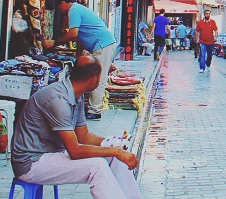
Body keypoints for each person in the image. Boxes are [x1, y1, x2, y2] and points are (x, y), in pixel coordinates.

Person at [11, 56, 143, 199]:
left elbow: (83, 136)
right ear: (94, 79)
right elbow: (75, 151)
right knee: (97, 166)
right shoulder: (58, 99)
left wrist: (114, 144)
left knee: (115, 157)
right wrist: (115, 151)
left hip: (51, 154)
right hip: (31, 163)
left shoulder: (76, 95)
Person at [44, 0, 117, 120]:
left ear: (63, 3)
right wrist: (77, 57)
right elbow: (79, 38)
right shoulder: (78, 9)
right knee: (92, 75)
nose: (61, 12)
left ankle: (95, 110)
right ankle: (90, 107)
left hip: (103, 45)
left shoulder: (73, 10)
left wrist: (54, 42)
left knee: (98, 77)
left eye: (59, 8)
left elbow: (73, 34)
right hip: (103, 45)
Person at [195, 9, 218, 73]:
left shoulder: (212, 22)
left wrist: (215, 37)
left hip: (211, 41)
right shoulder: (200, 23)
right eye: (207, 14)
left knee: (210, 55)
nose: (208, 15)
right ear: (204, 14)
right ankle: (202, 68)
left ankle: (208, 64)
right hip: (202, 41)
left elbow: (216, 30)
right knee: (202, 54)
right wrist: (197, 39)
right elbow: (196, 31)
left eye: (209, 14)